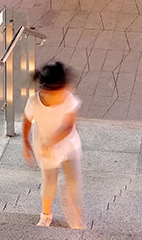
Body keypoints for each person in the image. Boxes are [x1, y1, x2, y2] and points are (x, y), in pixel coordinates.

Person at [22, 60, 85, 228]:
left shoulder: (68, 99)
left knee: (73, 181)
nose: (66, 92)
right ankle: (46, 214)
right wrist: (25, 142)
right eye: (61, 90)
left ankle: (76, 214)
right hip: (44, 148)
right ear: (46, 90)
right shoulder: (34, 102)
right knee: (49, 183)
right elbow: (27, 121)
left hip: (68, 145)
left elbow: (68, 126)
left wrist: (51, 141)